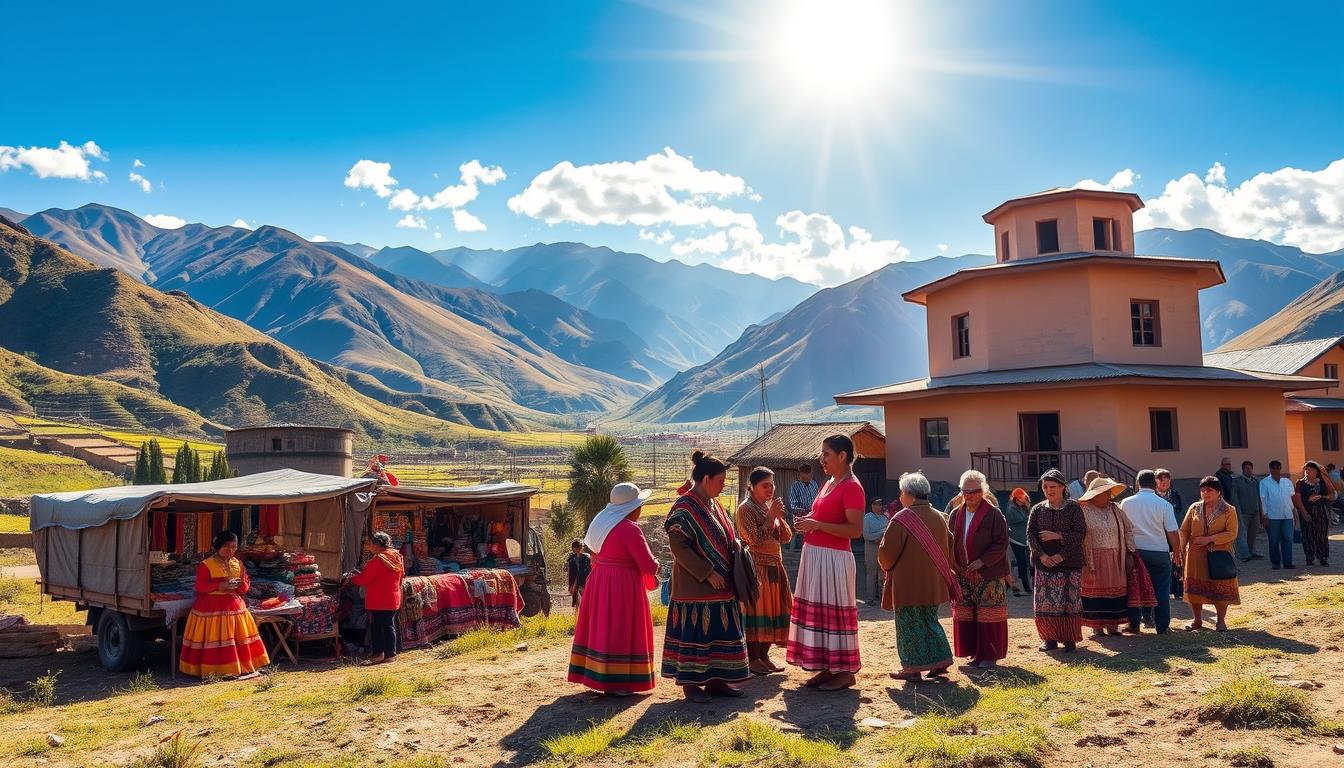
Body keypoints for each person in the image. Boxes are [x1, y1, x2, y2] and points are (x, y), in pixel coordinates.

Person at [663, 452, 750, 702]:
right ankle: (691, 684)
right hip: (695, 586)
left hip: (722, 583)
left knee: (718, 633)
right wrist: (707, 572)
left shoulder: (714, 504)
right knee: (696, 634)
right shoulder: (685, 507)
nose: (723, 486)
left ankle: (716, 680)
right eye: (720, 481)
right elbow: (679, 547)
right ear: (705, 478)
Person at [788, 434, 865, 691]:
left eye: (826, 454)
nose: (821, 459)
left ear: (842, 456)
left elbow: (854, 530)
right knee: (820, 615)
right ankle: (826, 667)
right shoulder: (829, 482)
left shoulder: (852, 487)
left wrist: (817, 525)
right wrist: (807, 521)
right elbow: (820, 514)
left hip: (834, 559)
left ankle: (844, 671)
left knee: (834, 614)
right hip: (816, 556)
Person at [569, 481, 659, 696]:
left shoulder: (600, 523)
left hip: (599, 581)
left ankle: (600, 677)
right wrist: (657, 563)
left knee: (603, 626)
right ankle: (621, 682)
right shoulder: (630, 529)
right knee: (621, 627)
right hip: (623, 584)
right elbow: (648, 565)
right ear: (632, 508)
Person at [879, 471, 956, 681]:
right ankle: (939, 662)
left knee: (908, 625)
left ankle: (912, 669)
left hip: (907, 586)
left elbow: (887, 554)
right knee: (930, 621)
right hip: (934, 583)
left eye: (901, 492)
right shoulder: (941, 517)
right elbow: (950, 549)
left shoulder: (902, 519)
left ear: (908, 493)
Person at [179, 531, 270, 678]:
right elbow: (200, 586)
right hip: (210, 608)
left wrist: (241, 585)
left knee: (235, 640)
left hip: (234, 606)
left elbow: (245, 586)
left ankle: (239, 666)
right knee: (213, 639)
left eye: (234, 547)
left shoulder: (238, 564)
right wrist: (220, 586)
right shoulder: (206, 565)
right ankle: (212, 669)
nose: (231, 551)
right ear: (218, 546)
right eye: (227, 547)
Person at [947, 470, 1010, 669]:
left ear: (983, 491)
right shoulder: (956, 514)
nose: (969, 495)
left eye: (973, 491)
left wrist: (982, 561)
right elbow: (951, 541)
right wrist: (955, 566)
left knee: (989, 614)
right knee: (968, 614)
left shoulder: (993, 514)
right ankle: (974, 653)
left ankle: (990, 655)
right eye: (965, 491)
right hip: (963, 574)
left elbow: (1001, 542)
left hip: (988, 574)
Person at [735, 466, 794, 676]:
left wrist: (777, 517)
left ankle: (764, 656)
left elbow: (786, 537)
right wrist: (771, 517)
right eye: (765, 485)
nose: (770, 489)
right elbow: (753, 539)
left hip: (775, 566)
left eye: (772, 485)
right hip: (757, 568)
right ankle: (753, 658)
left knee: (774, 611)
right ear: (752, 487)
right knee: (759, 612)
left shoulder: (766, 507)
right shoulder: (746, 509)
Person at [1028, 469, 1087, 652]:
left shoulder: (1073, 508)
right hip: (1044, 565)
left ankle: (1069, 640)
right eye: (1045, 487)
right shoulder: (1037, 509)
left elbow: (1080, 534)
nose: (1048, 490)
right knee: (1046, 603)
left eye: (1052, 486)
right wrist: (1043, 556)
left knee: (1069, 603)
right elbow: (1030, 535)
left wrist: (1059, 540)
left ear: (1062, 487)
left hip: (1069, 564)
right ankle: (1049, 639)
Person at [1119, 470, 1181, 634]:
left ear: (1138, 483)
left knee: (1134, 588)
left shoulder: (1126, 502)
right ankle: (1162, 626)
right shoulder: (1164, 504)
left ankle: (1133, 624)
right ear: (1155, 483)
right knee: (1161, 589)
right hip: (1159, 551)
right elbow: (1173, 531)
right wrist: (1177, 551)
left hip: (1135, 552)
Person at [1077, 476, 1137, 637]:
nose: (1108, 496)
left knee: (1115, 591)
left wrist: (1130, 552)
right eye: (1104, 493)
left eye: (1109, 493)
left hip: (1116, 557)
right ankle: (1097, 626)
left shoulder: (1116, 509)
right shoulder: (1083, 510)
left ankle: (1113, 624)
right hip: (1093, 558)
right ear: (1094, 495)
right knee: (1095, 590)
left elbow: (1128, 529)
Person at [1180, 476, 1240, 631]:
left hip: (1219, 554)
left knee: (1221, 587)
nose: (1205, 493)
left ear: (1218, 492)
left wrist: (1210, 539)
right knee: (1194, 588)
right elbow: (1184, 530)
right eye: (1202, 490)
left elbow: (1231, 533)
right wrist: (1180, 550)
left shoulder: (1229, 510)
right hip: (1195, 555)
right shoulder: (1194, 507)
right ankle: (1197, 621)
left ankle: (1220, 622)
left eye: (1209, 490)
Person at [350, 531, 406, 665]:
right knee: (389, 626)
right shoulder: (397, 556)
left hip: (379, 600)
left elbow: (364, 579)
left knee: (378, 628)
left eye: (371, 544)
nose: (370, 546)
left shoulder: (377, 560)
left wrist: (351, 578)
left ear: (377, 544)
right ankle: (390, 655)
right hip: (393, 597)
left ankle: (378, 654)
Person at [1259, 460, 1300, 570]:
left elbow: (1292, 498)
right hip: (1272, 516)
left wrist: (1294, 513)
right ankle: (1275, 562)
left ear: (1280, 468)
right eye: (1274, 468)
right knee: (1273, 540)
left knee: (1288, 538)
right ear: (1270, 469)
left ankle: (1288, 562)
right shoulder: (1264, 482)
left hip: (1287, 515)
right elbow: (1263, 500)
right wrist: (1264, 516)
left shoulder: (1287, 482)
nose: (1277, 470)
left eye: (1278, 468)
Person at [1297, 461, 1335, 567]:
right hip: (1306, 510)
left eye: (1312, 470)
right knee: (1308, 535)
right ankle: (1310, 558)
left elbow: (1332, 495)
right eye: (1307, 469)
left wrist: (1322, 497)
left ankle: (1323, 557)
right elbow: (1297, 498)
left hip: (1321, 511)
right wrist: (1303, 512)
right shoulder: (1300, 483)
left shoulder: (1322, 482)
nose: (1308, 472)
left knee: (1322, 535)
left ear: (1317, 472)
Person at [1230, 461, 1263, 562]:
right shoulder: (1237, 481)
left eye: (1250, 468)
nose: (1248, 470)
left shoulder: (1255, 481)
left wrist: (1260, 511)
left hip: (1255, 511)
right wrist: (1237, 511)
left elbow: (1259, 497)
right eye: (1246, 468)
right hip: (1243, 512)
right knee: (1242, 534)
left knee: (1253, 533)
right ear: (1243, 469)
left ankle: (1252, 551)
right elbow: (1234, 497)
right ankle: (1244, 554)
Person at [1005, 488, 1033, 596]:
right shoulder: (1011, 509)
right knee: (1020, 564)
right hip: (1016, 540)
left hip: (1023, 540)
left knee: (1025, 564)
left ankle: (1024, 587)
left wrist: (1027, 508)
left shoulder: (1021, 508)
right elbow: (1019, 520)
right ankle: (1021, 587)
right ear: (1015, 499)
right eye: (1021, 499)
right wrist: (1028, 512)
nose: (1022, 501)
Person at [788, 464, 820, 551]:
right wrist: (802, 512)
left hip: (813, 514)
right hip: (800, 515)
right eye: (802, 474)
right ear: (800, 474)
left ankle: (812, 549)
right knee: (801, 534)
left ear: (810, 474)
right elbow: (793, 503)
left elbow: (818, 498)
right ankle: (797, 552)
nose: (804, 477)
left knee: (815, 533)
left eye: (807, 474)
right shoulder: (795, 486)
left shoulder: (814, 484)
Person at [862, 498, 888, 603]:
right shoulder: (867, 518)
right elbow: (867, 535)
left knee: (882, 573)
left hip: (882, 546)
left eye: (880, 505)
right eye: (876, 504)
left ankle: (883, 598)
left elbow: (888, 532)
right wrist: (880, 534)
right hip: (871, 547)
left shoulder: (884, 518)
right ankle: (870, 598)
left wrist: (879, 534)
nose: (878, 507)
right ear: (872, 506)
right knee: (871, 573)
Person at [565, 540, 593, 608]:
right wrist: (571, 585)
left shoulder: (586, 558)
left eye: (577, 547)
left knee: (585, 599)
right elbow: (571, 572)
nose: (576, 549)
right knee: (576, 600)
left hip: (584, 580)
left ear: (581, 548)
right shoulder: (571, 558)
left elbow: (588, 571)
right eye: (574, 547)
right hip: (575, 581)